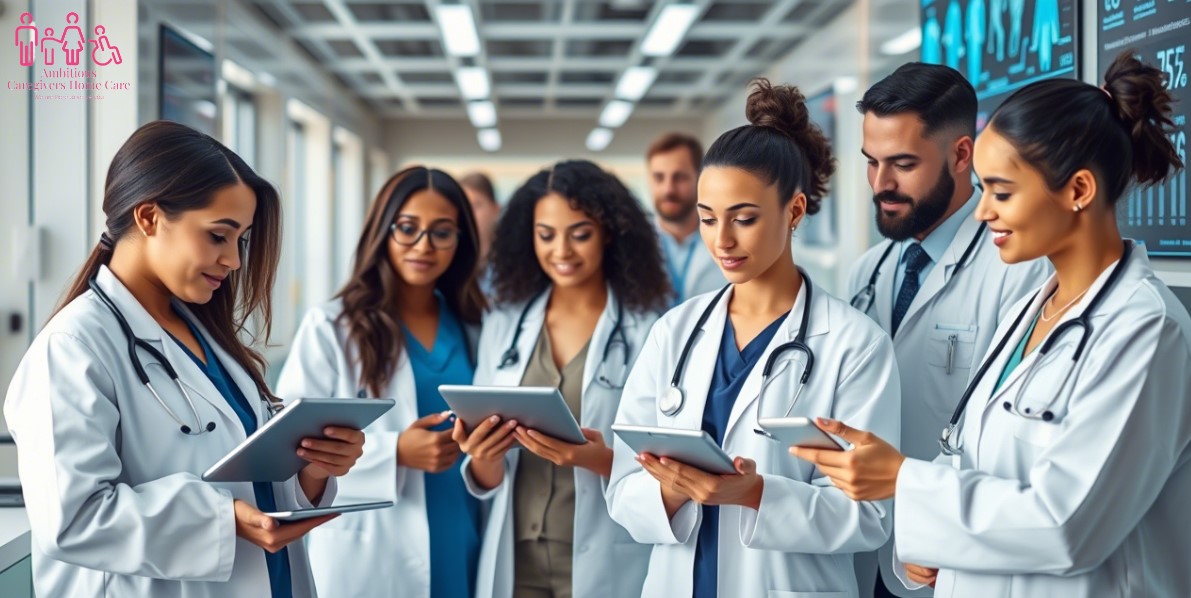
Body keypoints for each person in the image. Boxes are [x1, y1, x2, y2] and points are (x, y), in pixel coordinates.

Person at [794, 52, 1191, 598]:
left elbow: (1066, 525)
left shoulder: (1147, 331)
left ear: (1077, 191)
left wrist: (904, 482)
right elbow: (970, 452)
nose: (982, 213)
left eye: (1002, 192)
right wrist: (929, 537)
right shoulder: (1034, 310)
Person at [3, 120, 365, 597]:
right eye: (219, 235)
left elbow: (251, 482)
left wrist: (313, 472)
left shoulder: (205, 336)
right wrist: (221, 519)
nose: (235, 260)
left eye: (242, 239)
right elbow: (73, 520)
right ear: (150, 218)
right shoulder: (73, 348)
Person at [607, 79, 901, 598]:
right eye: (707, 219)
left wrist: (757, 494)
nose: (722, 240)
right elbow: (623, 488)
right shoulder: (675, 332)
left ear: (793, 211)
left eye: (743, 219)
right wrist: (671, 494)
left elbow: (870, 514)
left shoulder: (855, 346)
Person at [848, 62, 1049, 598]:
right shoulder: (867, 272)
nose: (881, 184)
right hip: (869, 545)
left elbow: (1013, 441)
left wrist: (935, 523)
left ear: (963, 155)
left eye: (903, 164)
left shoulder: (1021, 272)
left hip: (953, 553)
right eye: (871, 163)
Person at [453, 160, 671, 598]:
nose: (562, 251)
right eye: (546, 235)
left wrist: (601, 460)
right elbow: (485, 473)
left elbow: (670, 459)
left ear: (608, 232)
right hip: (518, 561)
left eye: (580, 233)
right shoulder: (505, 322)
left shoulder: (652, 329)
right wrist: (483, 456)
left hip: (608, 556)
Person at [275, 166, 488, 598]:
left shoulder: (477, 325)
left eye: (442, 232)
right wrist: (396, 452)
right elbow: (288, 447)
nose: (423, 246)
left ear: (460, 241)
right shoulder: (332, 326)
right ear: (382, 230)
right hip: (371, 547)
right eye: (407, 228)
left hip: (460, 528)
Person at [647, 132, 728, 305]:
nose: (668, 189)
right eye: (658, 177)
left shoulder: (726, 239)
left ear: (700, 178)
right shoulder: (631, 244)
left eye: (679, 177)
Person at [460, 171, 502, 297]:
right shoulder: (451, 259)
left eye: (476, 205)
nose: (469, 213)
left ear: (496, 209)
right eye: (464, 206)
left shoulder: (512, 261)